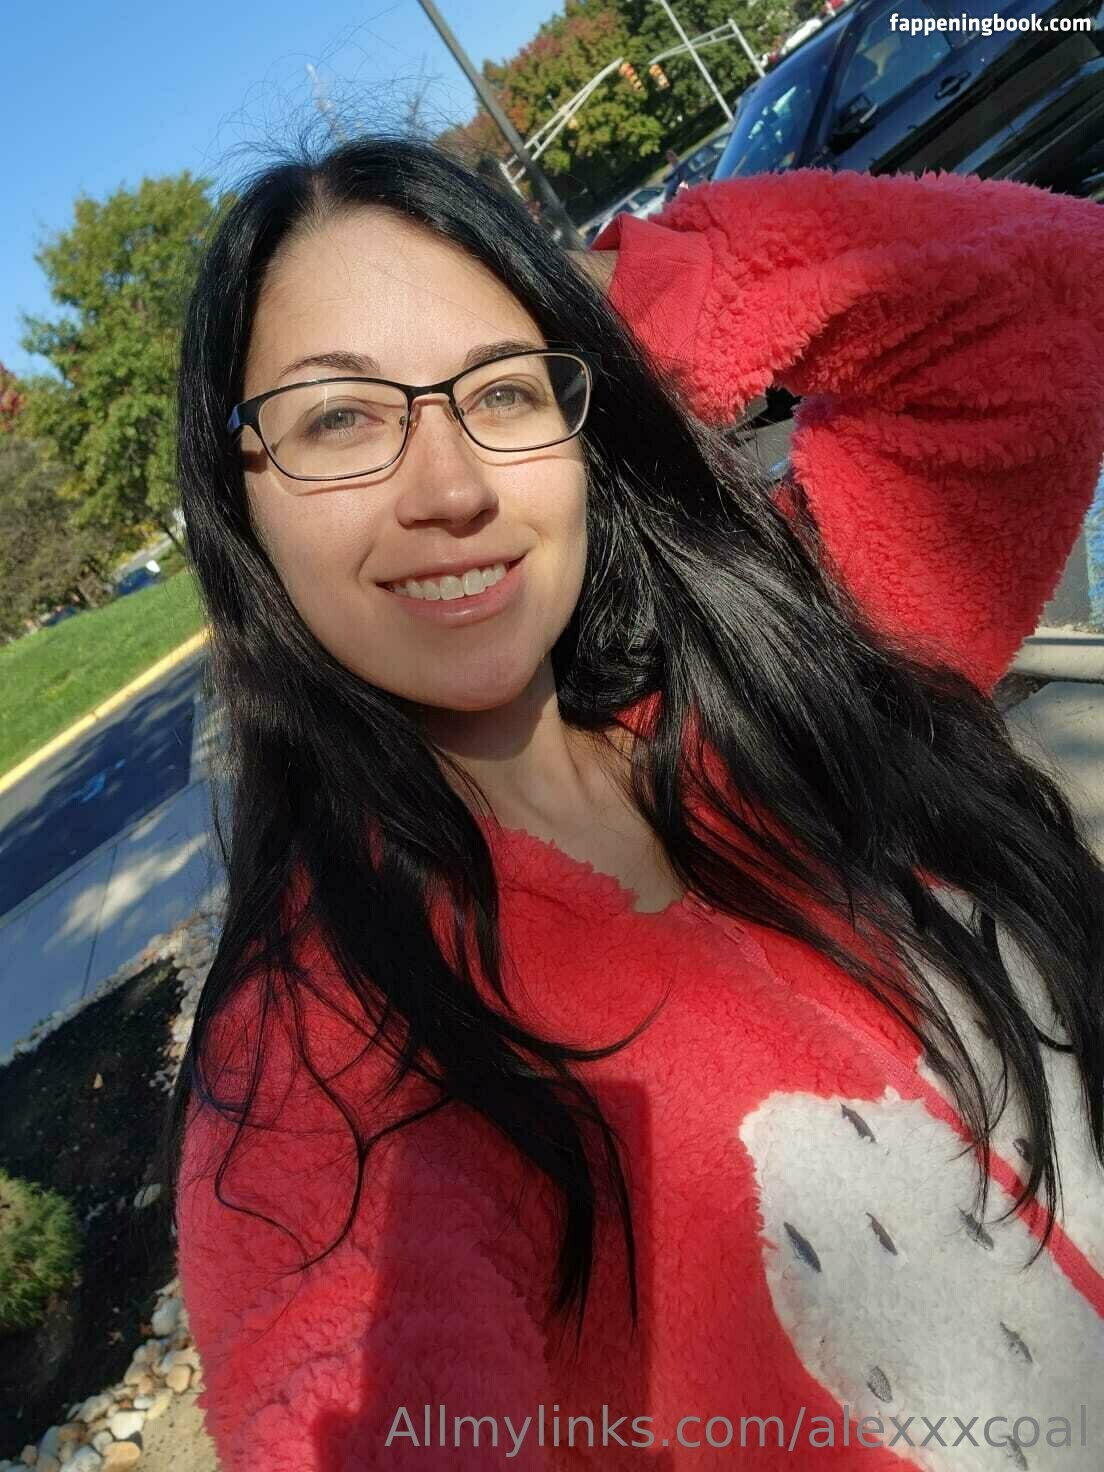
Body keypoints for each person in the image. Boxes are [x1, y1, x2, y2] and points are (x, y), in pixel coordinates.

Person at [163, 134, 1104, 1469]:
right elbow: (345, 1379)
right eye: (340, 420)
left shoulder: (779, 678)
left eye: (501, 391)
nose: (453, 490)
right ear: (239, 505)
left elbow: (1050, 300)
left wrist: (628, 290)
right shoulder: (329, 1062)